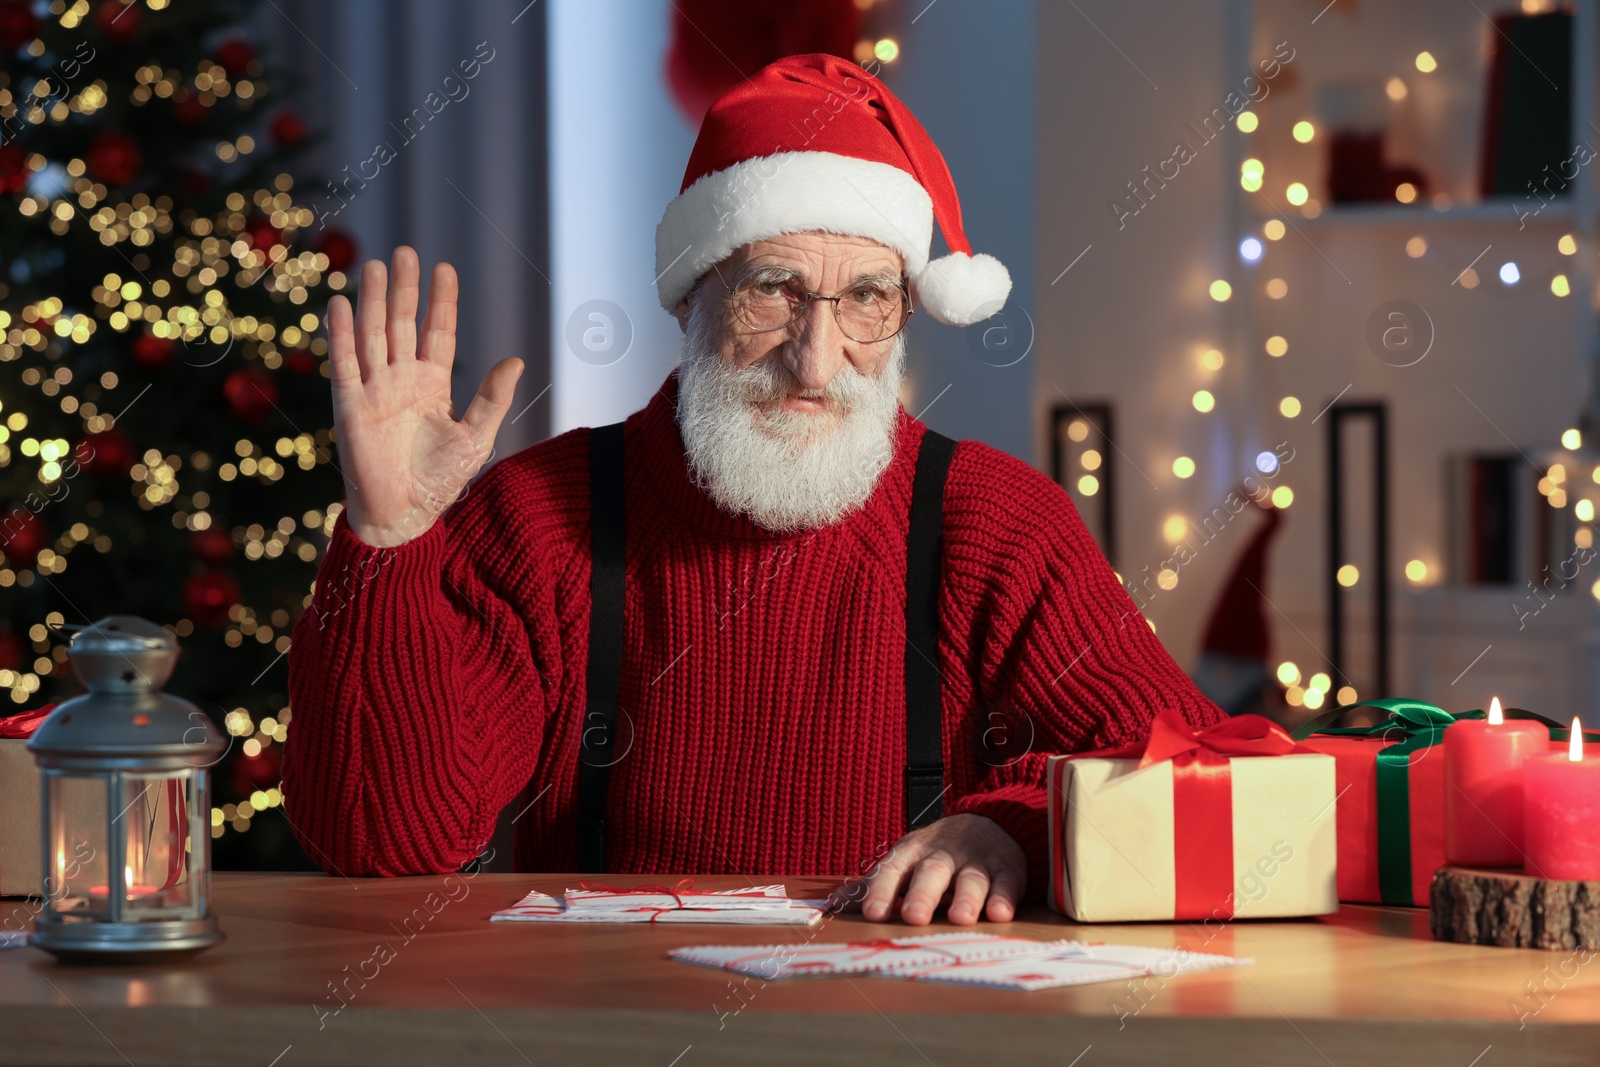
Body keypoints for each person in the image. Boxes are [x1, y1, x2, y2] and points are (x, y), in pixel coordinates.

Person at [284, 53, 1224, 926]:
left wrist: (1009, 823)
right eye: (770, 289)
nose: (816, 360)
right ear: (691, 297)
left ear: (904, 311)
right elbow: (381, 844)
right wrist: (391, 544)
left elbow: (1194, 769)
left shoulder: (996, 523)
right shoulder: (539, 519)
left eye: (866, 297)